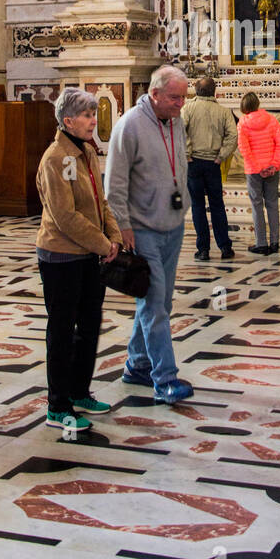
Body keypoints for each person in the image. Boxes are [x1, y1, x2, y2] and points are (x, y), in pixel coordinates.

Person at [105, 65, 195, 404]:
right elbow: (114, 183)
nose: (181, 104)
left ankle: (137, 365)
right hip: (141, 228)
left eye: (184, 97)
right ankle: (165, 379)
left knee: (160, 301)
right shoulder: (129, 125)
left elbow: (178, 164)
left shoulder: (175, 120)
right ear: (154, 94)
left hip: (173, 225)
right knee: (154, 303)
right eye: (175, 97)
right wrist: (122, 226)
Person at [35, 87, 123, 432]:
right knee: (62, 331)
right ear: (68, 120)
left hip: (90, 254)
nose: (93, 120)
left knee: (88, 326)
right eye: (87, 115)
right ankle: (57, 405)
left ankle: (79, 391)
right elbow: (64, 216)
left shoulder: (87, 152)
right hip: (61, 256)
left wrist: (113, 236)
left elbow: (100, 203)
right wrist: (104, 244)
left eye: (93, 113)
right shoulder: (55, 158)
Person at [181, 77, 238, 262]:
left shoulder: (188, 109)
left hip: (194, 162)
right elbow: (233, 135)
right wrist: (221, 155)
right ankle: (225, 247)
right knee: (217, 205)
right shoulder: (223, 111)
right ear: (215, 92)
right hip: (213, 162)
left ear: (195, 91)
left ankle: (203, 249)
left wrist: (187, 153)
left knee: (198, 206)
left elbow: (178, 131)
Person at [237, 91, 280, 255]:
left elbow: (244, 149)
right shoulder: (271, 120)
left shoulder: (243, 123)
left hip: (254, 171)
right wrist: (274, 164)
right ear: (257, 104)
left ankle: (261, 243)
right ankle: (275, 242)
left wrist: (257, 167)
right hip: (272, 170)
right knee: (273, 204)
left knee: (257, 206)